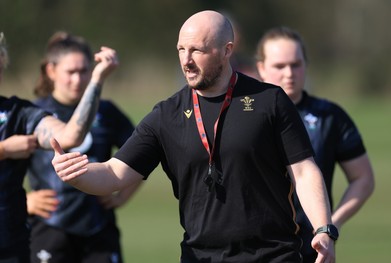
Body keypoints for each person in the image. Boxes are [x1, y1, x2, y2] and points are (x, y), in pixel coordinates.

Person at [50, 10, 337, 263]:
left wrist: (323, 229)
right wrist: (76, 174)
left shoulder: (269, 101)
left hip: (273, 255)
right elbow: (114, 174)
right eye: (181, 49)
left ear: (227, 50)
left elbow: (303, 171)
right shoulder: (166, 115)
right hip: (200, 257)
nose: (186, 60)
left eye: (197, 50)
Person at [255, 26, 375, 262]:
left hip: (311, 250)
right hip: (255, 249)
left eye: (296, 64)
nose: (289, 73)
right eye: (280, 66)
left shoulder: (330, 117)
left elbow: (364, 178)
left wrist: (330, 225)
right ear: (261, 68)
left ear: (306, 66)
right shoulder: (244, 116)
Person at [0, 31, 118, 262]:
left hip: (10, 245)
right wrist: (3, 149)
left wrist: (97, 80)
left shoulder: (19, 113)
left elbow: (71, 135)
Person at [25, 31, 140, 263]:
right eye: (70, 72)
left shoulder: (107, 112)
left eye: (84, 71)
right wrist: (23, 200)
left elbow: (142, 154)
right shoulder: (34, 114)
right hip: (50, 228)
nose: (77, 80)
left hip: (98, 228)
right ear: (51, 70)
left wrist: (122, 197)